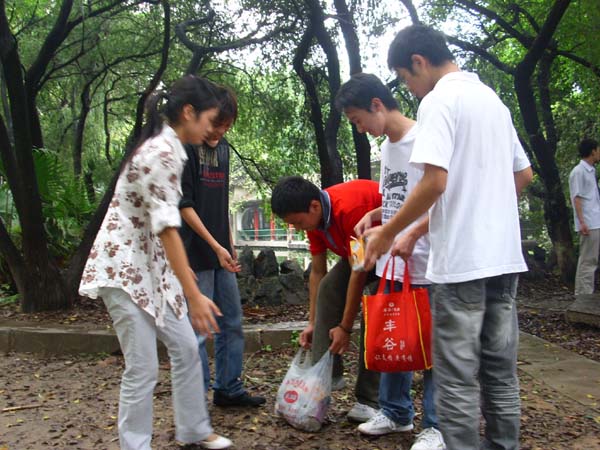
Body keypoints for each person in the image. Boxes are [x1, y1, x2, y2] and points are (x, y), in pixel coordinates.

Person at [362, 25, 533, 450]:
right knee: (500, 374)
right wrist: (483, 208)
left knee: (456, 380)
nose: (410, 88)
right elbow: (523, 174)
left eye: (405, 77)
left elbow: (434, 182)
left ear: (418, 63)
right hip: (505, 260)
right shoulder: (491, 100)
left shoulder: (439, 101)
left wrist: (388, 231)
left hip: (460, 265)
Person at [79, 75, 232, 449]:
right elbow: (167, 228)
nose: (212, 129)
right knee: (143, 367)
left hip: (154, 271)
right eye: (209, 119)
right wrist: (194, 294)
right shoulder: (161, 153)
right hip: (126, 271)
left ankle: (194, 428)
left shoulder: (175, 149)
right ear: (188, 112)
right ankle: (135, 445)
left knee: (184, 347)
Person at [336, 73, 445, 450]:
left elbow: (444, 197)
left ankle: (437, 425)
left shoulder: (426, 137)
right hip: (393, 263)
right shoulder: (388, 148)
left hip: (428, 261)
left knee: (432, 347)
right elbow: (401, 197)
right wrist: (377, 215)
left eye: (358, 120)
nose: (361, 129)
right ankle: (397, 413)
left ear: (377, 106)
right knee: (394, 337)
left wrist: (414, 234)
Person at [179, 84, 265, 407]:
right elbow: (185, 206)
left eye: (227, 125)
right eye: (216, 123)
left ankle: (228, 388)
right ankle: (196, 400)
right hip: (194, 253)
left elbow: (222, 199)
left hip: (220, 252)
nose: (219, 131)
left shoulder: (224, 148)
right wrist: (215, 246)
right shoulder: (186, 147)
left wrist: (227, 244)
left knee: (232, 320)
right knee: (199, 329)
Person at [271, 176, 382, 423]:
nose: (299, 228)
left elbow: (359, 271)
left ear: (314, 206)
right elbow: (318, 273)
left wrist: (345, 327)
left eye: (298, 222)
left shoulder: (350, 209)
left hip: (393, 249)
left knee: (375, 311)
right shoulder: (316, 221)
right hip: (361, 256)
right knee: (330, 287)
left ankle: (370, 400)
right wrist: (313, 323)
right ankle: (321, 385)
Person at [568, 138, 600, 295]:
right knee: (588, 260)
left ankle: (587, 294)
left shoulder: (591, 170)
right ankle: (582, 296)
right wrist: (582, 222)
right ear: (593, 151)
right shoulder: (578, 172)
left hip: (595, 220)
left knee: (593, 259)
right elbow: (576, 197)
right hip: (588, 222)